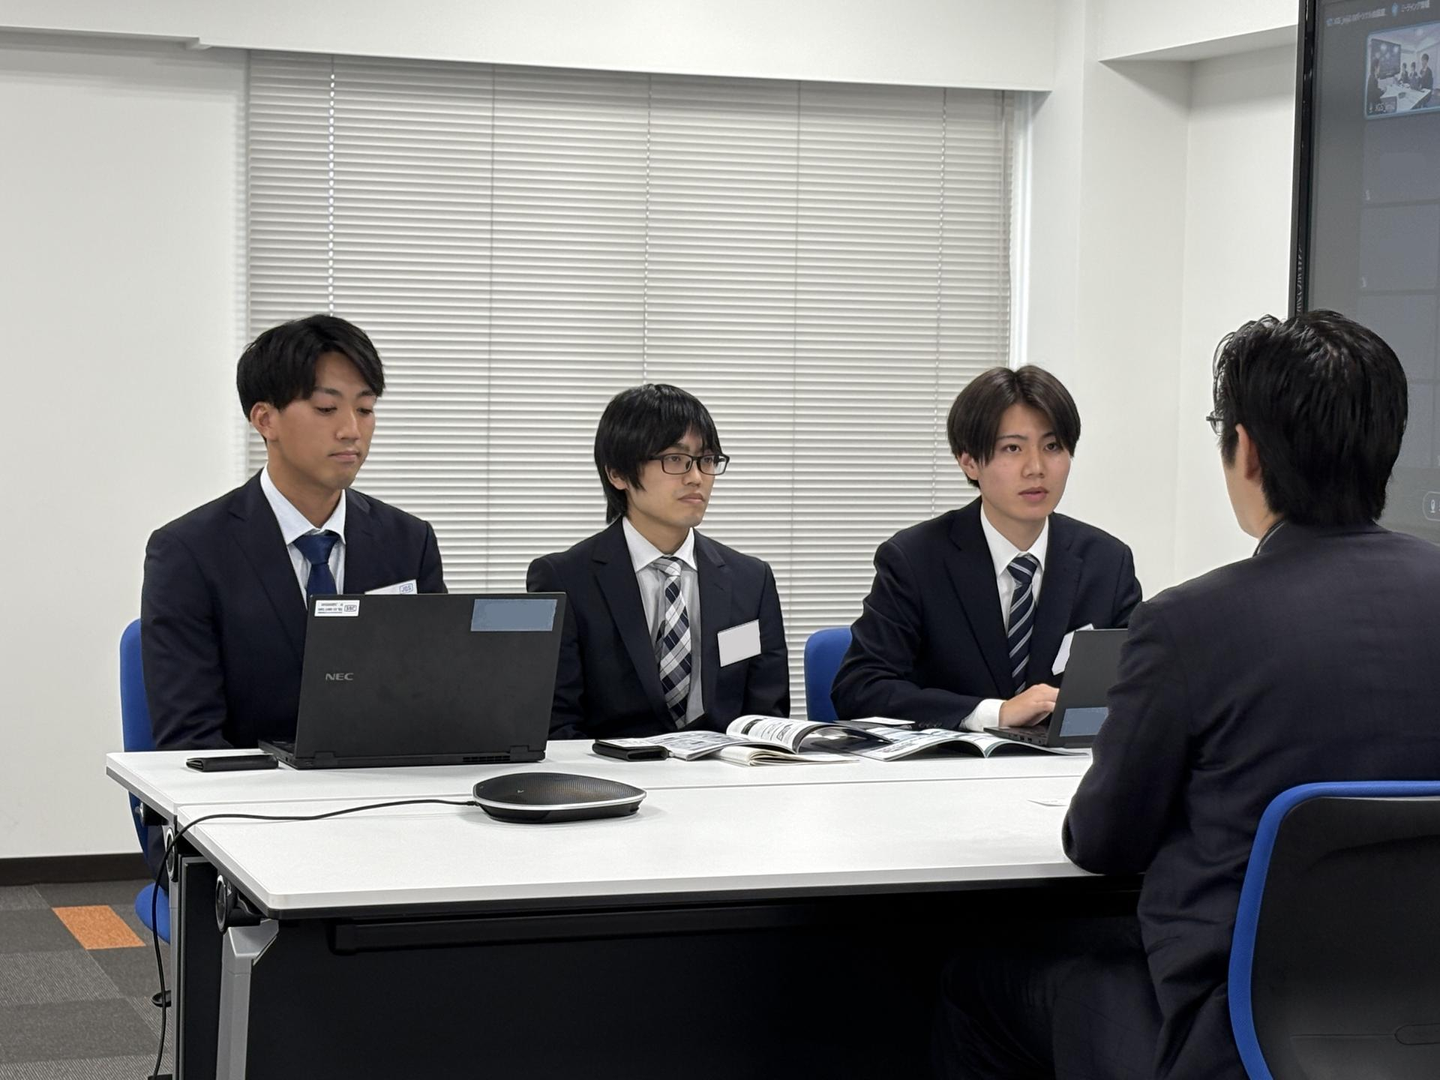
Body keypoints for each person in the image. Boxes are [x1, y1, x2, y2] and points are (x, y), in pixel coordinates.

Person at [933, 310, 1440, 1080]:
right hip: (1421, 1025)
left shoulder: (1190, 623)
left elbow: (1102, 842)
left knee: (975, 981)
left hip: (1228, 1039)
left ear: (1246, 449)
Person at [141, 315, 446, 752]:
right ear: (265, 419)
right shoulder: (189, 552)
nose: (352, 430)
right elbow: (191, 741)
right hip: (251, 790)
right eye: (326, 408)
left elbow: (435, 702)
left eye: (365, 409)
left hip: (387, 783)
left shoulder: (409, 542)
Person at [831, 365, 1140, 731]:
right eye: (1012, 448)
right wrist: (994, 713)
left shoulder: (1107, 562)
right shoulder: (915, 559)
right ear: (969, 461)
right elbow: (860, 689)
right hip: (951, 762)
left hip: (1068, 764)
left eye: (1052, 446)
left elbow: (1141, 687)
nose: (1036, 468)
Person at [527, 384, 788, 741]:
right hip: (610, 769)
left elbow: (766, 716)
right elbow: (556, 724)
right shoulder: (564, 579)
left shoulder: (751, 580)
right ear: (618, 473)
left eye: (707, 460)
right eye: (675, 459)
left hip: (724, 769)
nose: (696, 477)